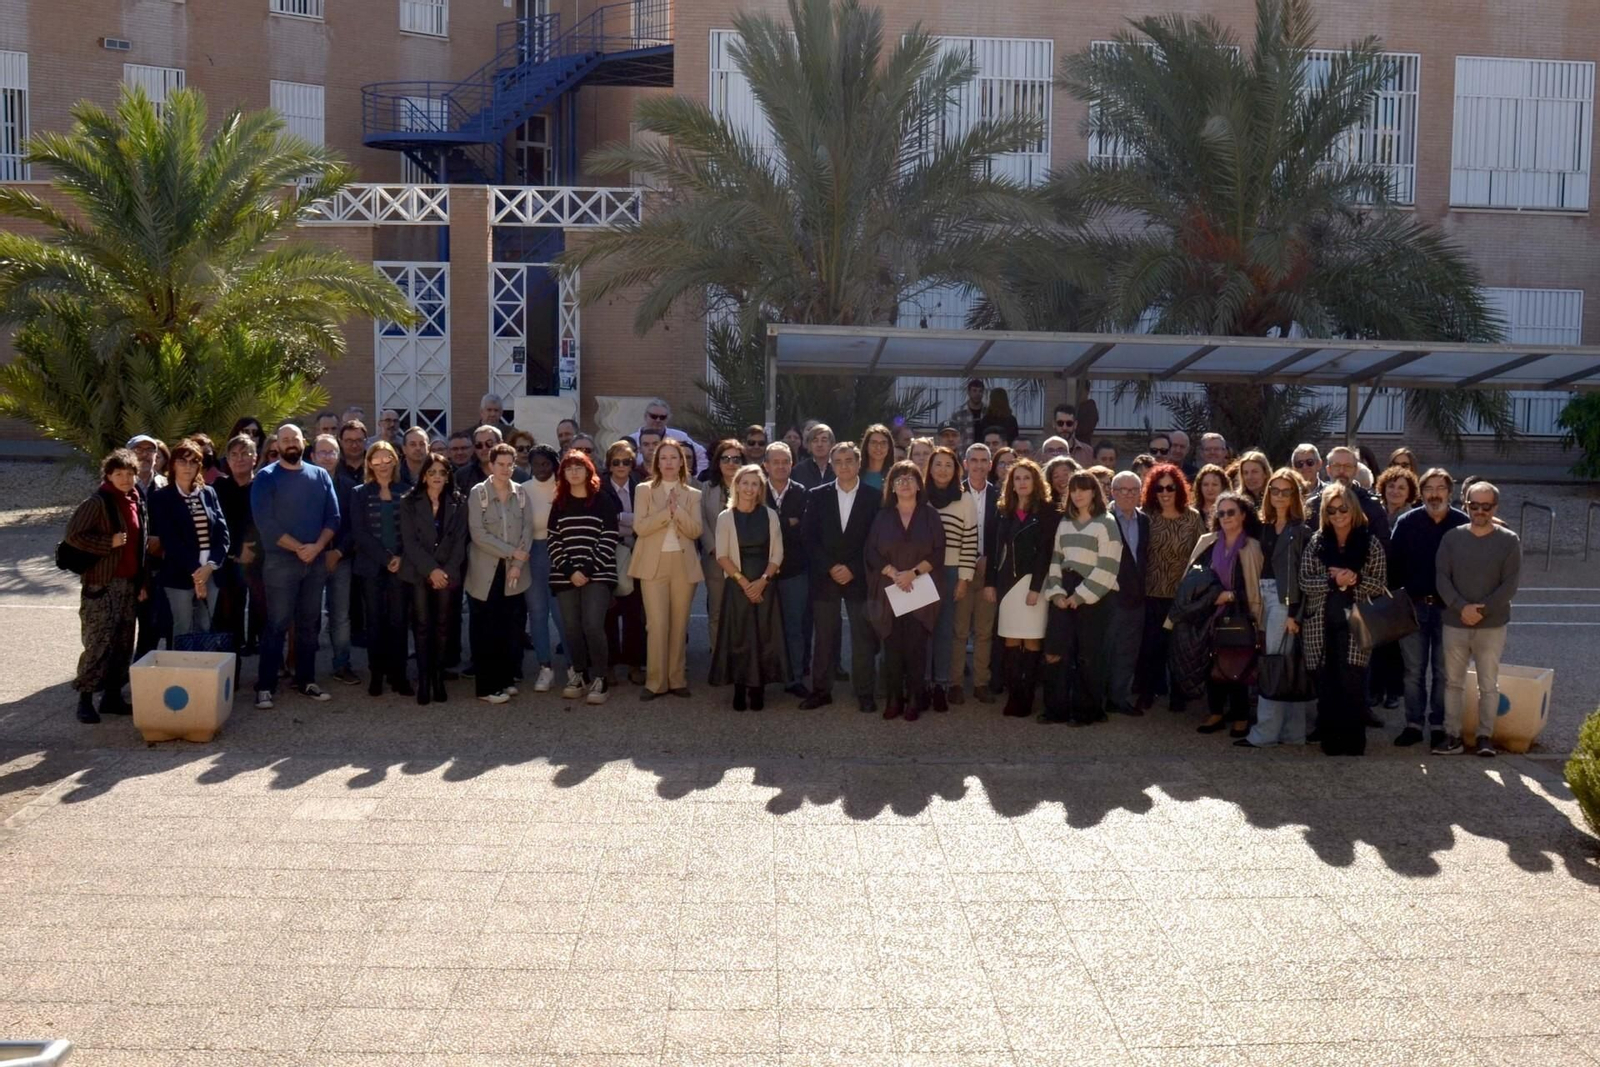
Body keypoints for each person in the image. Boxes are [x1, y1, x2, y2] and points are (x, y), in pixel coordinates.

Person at [251, 424, 341, 709]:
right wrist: (299, 548)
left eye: (295, 439)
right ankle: (265, 686)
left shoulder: (320, 475)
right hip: (280, 562)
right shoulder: (265, 478)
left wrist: (316, 547)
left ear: (304, 442)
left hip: (314, 562)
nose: (290, 444)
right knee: (276, 624)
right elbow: (265, 524)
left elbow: (334, 517)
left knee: (308, 624)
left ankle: (306, 680)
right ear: (277, 444)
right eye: (285, 440)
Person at [1299, 482, 1388, 757]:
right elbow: (1305, 580)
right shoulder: (1317, 541)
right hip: (1321, 623)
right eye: (1332, 509)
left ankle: (1353, 742)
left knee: (1352, 684)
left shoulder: (1369, 542)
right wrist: (1333, 580)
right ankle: (1330, 741)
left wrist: (1355, 580)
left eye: (1343, 509)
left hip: (1357, 624)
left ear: (1353, 509)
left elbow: (1380, 584)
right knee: (1326, 683)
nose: (1338, 514)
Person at [1435, 482, 1522, 757]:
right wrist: (1461, 607)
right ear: (1466, 505)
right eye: (1475, 505)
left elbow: (1509, 585)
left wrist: (1479, 611)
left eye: (1486, 506)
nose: (1480, 511)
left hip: (1492, 625)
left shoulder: (1509, 541)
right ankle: (1452, 734)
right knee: (1453, 682)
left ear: (1495, 508)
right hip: (1454, 621)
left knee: (1488, 683)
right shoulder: (1451, 538)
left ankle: (1485, 736)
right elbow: (1441, 577)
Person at [64, 449, 147, 723]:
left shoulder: (136, 500)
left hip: (128, 584)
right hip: (101, 584)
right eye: (118, 474)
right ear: (108, 475)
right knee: (98, 643)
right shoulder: (97, 502)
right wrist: (107, 543)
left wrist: (141, 581)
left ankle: (112, 696)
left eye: (129, 474)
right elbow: (73, 536)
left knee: (123, 643)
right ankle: (85, 699)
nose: (125, 479)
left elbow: (139, 546)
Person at [798, 442, 881, 712]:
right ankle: (821, 690)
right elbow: (808, 538)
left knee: (863, 637)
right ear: (831, 465)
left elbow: (875, 540)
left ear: (858, 464)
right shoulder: (817, 495)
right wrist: (831, 566)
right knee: (824, 637)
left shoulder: (873, 497)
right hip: (825, 577)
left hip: (859, 578)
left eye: (849, 461)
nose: (844, 466)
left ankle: (865, 692)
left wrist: (853, 568)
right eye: (839, 461)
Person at [1388, 468, 1467, 748]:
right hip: (1414, 608)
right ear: (1420, 494)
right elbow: (1392, 565)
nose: (1435, 494)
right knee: (1413, 671)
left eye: (1440, 488)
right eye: (1429, 488)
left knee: (1444, 672)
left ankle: (1438, 725)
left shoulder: (1462, 524)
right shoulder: (1407, 522)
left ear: (1450, 492)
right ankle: (1412, 723)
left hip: (1450, 611)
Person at [862, 460, 946, 721]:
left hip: (920, 589)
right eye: (899, 479)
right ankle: (893, 698)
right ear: (892, 487)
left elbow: (939, 551)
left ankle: (914, 700)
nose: (905, 483)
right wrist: (893, 573)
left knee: (916, 648)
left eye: (911, 478)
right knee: (893, 648)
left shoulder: (930, 515)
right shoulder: (882, 515)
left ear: (919, 485)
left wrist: (913, 573)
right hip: (890, 589)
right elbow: (870, 551)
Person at [1039, 470, 1122, 725]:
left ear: (1094, 491)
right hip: (1064, 591)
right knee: (1056, 653)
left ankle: (1087, 711)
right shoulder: (1064, 523)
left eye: (1083, 489)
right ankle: (1056, 709)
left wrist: (1081, 596)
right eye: (1073, 490)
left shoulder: (1106, 522)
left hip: (1095, 595)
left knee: (1088, 656)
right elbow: (1055, 559)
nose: (1077, 494)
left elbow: (1109, 567)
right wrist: (1056, 593)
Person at [1240, 467, 1314, 747]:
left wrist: (1294, 613)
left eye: (1286, 491)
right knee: (1287, 666)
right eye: (1275, 490)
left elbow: (1302, 575)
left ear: (1294, 495)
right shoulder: (1266, 526)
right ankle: (1293, 734)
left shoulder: (1301, 530)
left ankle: (1265, 734)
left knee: (1276, 664)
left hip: (1285, 602)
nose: (1279, 496)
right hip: (1265, 595)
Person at [708, 464, 788, 710]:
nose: (749, 488)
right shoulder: (726, 517)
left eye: (755, 484)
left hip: (765, 584)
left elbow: (777, 553)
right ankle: (740, 688)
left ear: (760, 488)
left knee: (763, 636)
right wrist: (745, 583)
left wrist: (762, 581)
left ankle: (758, 688)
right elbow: (722, 555)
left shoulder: (770, 515)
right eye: (745, 483)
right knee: (740, 637)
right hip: (737, 584)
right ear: (737, 485)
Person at [1186, 490, 1265, 738]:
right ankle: (1216, 712)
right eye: (1221, 513)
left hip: (1241, 613)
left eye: (1231, 512)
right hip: (1209, 614)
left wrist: (1232, 596)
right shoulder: (1207, 542)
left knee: (1238, 664)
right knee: (1212, 664)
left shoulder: (1252, 546)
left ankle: (1241, 716)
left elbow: (1257, 583)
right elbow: (1193, 579)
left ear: (1243, 515)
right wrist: (1210, 598)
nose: (1226, 517)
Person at [630, 439, 704, 699]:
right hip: (654, 564)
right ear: (656, 462)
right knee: (657, 624)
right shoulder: (644, 490)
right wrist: (666, 512)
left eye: (674, 457)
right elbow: (640, 527)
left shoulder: (693, 493)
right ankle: (655, 682)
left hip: (683, 565)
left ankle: (677, 679)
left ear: (681, 462)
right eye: (664, 458)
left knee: (679, 623)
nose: (669, 462)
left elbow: (696, 530)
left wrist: (679, 511)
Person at [548, 449, 621, 706]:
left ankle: (600, 677)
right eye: (569, 468)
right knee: (571, 627)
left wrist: (587, 570)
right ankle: (578, 673)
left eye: (579, 467)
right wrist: (570, 571)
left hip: (598, 573)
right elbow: (553, 540)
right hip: (564, 574)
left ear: (588, 471)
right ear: (563, 474)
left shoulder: (602, 500)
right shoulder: (559, 504)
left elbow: (609, 537)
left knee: (592, 624)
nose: (574, 471)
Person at [466, 443, 534, 705]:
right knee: (487, 630)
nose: (505, 469)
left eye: (510, 464)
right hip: (486, 572)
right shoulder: (478, 493)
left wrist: (518, 562)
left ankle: (505, 678)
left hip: (515, 571)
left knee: (510, 628)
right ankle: (486, 686)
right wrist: (511, 553)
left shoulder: (521, 493)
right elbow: (478, 534)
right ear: (491, 465)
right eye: (500, 464)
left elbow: (527, 528)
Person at [986, 458, 1053, 718]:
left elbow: (1045, 554)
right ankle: (1014, 695)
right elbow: (993, 551)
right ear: (1010, 484)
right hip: (1007, 585)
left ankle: (1027, 695)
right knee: (1012, 640)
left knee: (1033, 640)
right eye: (1017, 478)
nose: (1022, 482)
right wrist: (990, 582)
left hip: (1033, 584)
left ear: (1036, 482)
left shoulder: (1047, 511)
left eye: (1027, 478)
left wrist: (1036, 587)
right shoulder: (1003, 511)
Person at [400, 452, 467, 705]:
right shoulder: (409, 501)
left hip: (447, 572)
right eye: (432, 472)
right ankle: (424, 680)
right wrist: (431, 570)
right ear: (424, 475)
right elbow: (409, 542)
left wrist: (445, 571)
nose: (437, 477)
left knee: (442, 627)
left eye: (442, 472)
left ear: (449, 476)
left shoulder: (459, 501)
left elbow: (460, 541)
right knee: (422, 626)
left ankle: (438, 677)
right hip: (419, 572)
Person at [147, 438, 230, 639]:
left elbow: (223, 535)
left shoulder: (209, 492)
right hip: (179, 574)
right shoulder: (162, 498)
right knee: (182, 628)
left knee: (205, 625)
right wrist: (196, 573)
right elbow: (170, 540)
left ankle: (201, 670)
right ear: (173, 464)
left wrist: (210, 566)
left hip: (211, 572)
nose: (188, 466)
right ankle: (181, 670)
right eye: (183, 461)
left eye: (193, 462)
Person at [1137, 464, 1204, 712]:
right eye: (1159, 488)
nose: (1165, 493)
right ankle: (1146, 692)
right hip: (1151, 592)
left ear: (1179, 488)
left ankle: (1179, 695)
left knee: (1179, 647)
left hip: (1181, 594)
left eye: (1170, 487)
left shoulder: (1193, 517)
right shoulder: (1146, 516)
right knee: (1151, 647)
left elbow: (1202, 555)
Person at [349, 441, 412, 696]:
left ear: (395, 461)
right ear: (369, 463)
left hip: (401, 566)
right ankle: (377, 674)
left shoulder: (406, 490)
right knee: (375, 622)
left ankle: (399, 675)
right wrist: (386, 558)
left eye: (388, 459)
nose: (383, 464)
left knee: (398, 621)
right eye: (377, 459)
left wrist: (400, 557)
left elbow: (411, 531)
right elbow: (359, 532)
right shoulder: (359, 493)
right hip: (372, 567)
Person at [925, 446, 977, 711]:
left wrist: (964, 579)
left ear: (956, 469)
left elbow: (970, 540)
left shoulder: (964, 498)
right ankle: (922, 683)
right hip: (923, 572)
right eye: (938, 464)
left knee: (945, 630)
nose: (943, 469)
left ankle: (940, 685)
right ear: (930, 468)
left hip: (950, 571)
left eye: (948, 464)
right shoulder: (921, 496)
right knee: (923, 629)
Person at [951, 443, 999, 705]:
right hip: (961, 571)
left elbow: (1002, 536)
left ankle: (981, 682)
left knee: (984, 631)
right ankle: (955, 683)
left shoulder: (1000, 495)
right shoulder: (956, 493)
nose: (979, 465)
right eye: (974, 460)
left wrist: (988, 559)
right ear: (966, 464)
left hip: (988, 573)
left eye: (984, 461)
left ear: (990, 465)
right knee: (959, 630)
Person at [763, 442, 811, 699]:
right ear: (766, 465)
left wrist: (774, 525)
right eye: (776, 462)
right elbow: (756, 527)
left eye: (786, 462)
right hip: (761, 572)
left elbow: (804, 530)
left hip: (794, 570)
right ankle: (761, 675)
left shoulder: (803, 493)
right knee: (763, 625)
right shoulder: (755, 490)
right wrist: (786, 522)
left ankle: (794, 678)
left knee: (795, 626)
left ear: (792, 464)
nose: (781, 466)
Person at [214, 433, 265, 656]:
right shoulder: (219, 487)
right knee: (228, 618)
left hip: (259, 561)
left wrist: (251, 548)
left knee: (263, 616)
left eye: (245, 454)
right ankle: (230, 674)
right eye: (234, 454)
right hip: (229, 561)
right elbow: (217, 524)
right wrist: (236, 550)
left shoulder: (263, 486)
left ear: (255, 458)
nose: (239, 459)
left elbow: (266, 522)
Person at [1103, 471, 1149, 717]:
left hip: (1136, 597)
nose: (1128, 494)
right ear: (1113, 492)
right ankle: (1099, 697)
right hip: (1108, 596)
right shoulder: (1103, 519)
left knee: (1128, 651)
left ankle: (1118, 698)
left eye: (1133, 490)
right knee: (1105, 648)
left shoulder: (1145, 521)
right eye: (1123, 490)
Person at [601, 440, 646, 686]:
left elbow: (646, 520)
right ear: (609, 464)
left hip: (637, 554)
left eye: (626, 461)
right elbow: (605, 521)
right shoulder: (599, 487)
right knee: (608, 611)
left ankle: (634, 663)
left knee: (634, 613)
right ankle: (609, 665)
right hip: (608, 554)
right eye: (616, 462)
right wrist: (630, 520)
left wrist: (622, 518)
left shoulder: (641, 485)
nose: (621, 466)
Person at [522, 443, 562, 693]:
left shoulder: (564, 488)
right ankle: (545, 666)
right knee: (536, 613)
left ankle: (572, 665)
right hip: (532, 554)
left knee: (562, 614)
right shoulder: (522, 490)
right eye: (536, 464)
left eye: (545, 464)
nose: (540, 469)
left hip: (560, 553)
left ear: (554, 464)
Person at [699, 439, 745, 651]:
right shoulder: (707, 488)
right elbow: (702, 522)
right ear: (718, 462)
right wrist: (715, 549)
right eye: (726, 458)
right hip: (715, 558)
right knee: (717, 610)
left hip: (744, 559)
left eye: (736, 459)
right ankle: (719, 657)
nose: (731, 463)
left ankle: (739, 657)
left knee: (741, 610)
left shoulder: (751, 486)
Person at [1305, 446, 1391, 552]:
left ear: (1355, 470)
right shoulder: (1314, 505)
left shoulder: (1372, 506)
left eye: (1347, 466)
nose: (1341, 471)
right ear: (1328, 470)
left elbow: (1383, 548)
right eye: (1336, 466)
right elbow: (1306, 547)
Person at [629, 398, 709, 477]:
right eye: (653, 416)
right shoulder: (632, 440)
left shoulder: (679, 436)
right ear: (645, 416)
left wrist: (695, 476)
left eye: (662, 417)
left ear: (668, 418)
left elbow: (703, 455)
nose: (658, 420)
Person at [456, 424, 505, 493]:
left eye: (489, 443)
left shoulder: (517, 474)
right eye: (479, 445)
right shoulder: (462, 476)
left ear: (500, 444)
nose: (484, 448)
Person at [792, 424, 835, 489]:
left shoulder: (840, 468)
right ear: (809, 445)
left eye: (824, 440)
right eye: (815, 441)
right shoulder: (799, 470)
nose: (819, 444)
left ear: (832, 444)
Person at [859, 423, 895, 493]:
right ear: (866, 446)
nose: (878, 447)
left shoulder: (895, 475)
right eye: (874, 442)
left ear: (889, 447)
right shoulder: (856, 474)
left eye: (883, 443)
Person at [954, 378, 990, 447]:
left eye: (980, 391)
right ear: (969, 392)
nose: (977, 394)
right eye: (974, 391)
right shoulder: (959, 413)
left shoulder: (988, 412)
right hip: (964, 452)